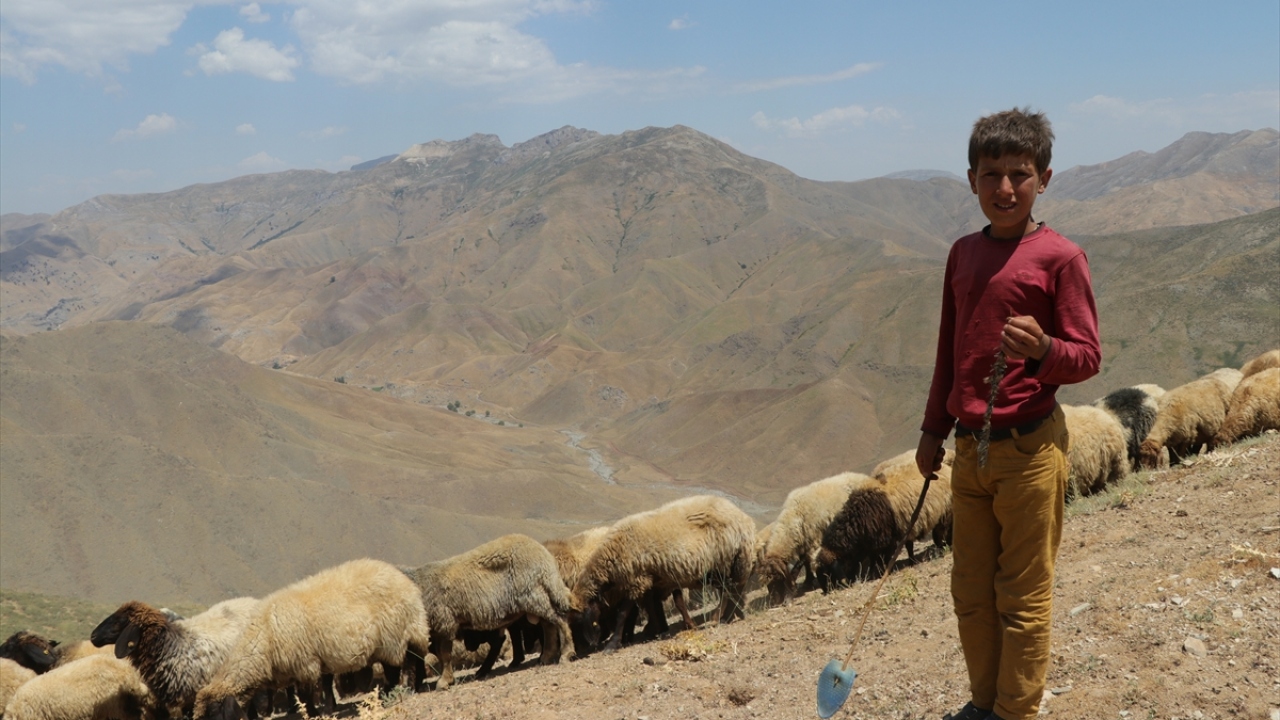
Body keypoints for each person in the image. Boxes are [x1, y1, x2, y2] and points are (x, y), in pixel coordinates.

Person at [915, 108, 1101, 720]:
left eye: (1019, 174)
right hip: (970, 450)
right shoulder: (963, 254)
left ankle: (1015, 710)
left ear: (1044, 178)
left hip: (1028, 451)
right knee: (970, 593)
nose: (1004, 188)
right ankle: (984, 701)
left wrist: (1045, 351)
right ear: (970, 179)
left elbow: (1087, 356)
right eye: (991, 174)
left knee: (1021, 596)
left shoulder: (1061, 258)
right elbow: (951, 347)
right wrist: (932, 429)